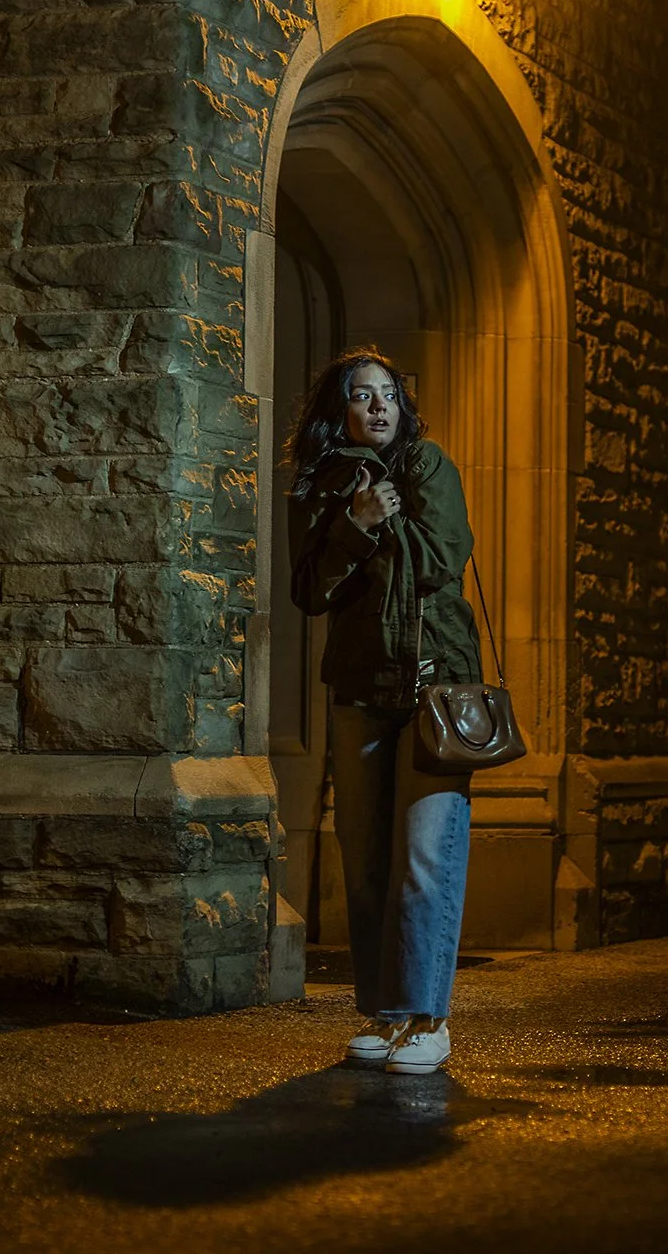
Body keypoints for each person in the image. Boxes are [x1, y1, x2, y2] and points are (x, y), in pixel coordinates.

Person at [286, 347, 484, 1076]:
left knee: (425, 856)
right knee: (367, 863)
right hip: (362, 688)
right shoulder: (317, 486)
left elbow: (441, 556)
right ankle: (386, 1015)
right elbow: (310, 589)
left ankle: (431, 1020)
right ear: (337, 410)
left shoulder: (427, 466)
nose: (378, 407)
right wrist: (357, 522)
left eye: (388, 396)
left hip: (436, 685)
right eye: (362, 396)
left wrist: (372, 530)